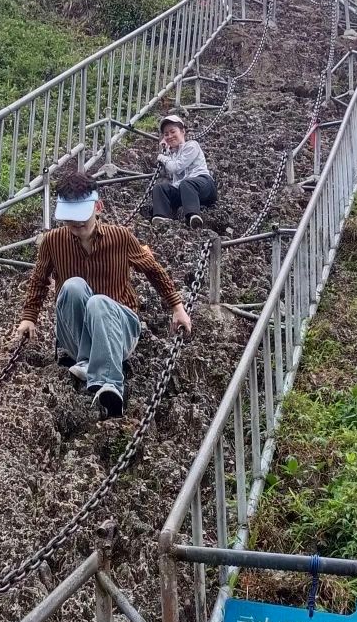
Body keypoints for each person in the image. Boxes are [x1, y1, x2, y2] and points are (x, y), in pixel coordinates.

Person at [15, 171, 192, 417]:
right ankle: (88, 362)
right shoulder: (53, 241)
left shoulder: (120, 237)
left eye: (82, 222)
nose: (76, 229)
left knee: (99, 302)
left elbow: (152, 270)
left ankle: (109, 385)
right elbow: (39, 279)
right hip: (76, 334)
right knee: (73, 286)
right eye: (70, 223)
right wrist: (29, 317)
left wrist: (177, 307)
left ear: (98, 207)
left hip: (119, 329)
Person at [152, 114, 217, 229]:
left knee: (186, 183)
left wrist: (162, 157)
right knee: (159, 187)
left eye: (173, 132)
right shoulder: (171, 154)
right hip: (184, 191)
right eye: (166, 134)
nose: (169, 136)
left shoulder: (192, 146)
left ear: (182, 131)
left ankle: (193, 216)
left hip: (203, 185)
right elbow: (165, 172)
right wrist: (165, 150)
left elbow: (176, 167)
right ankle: (162, 217)